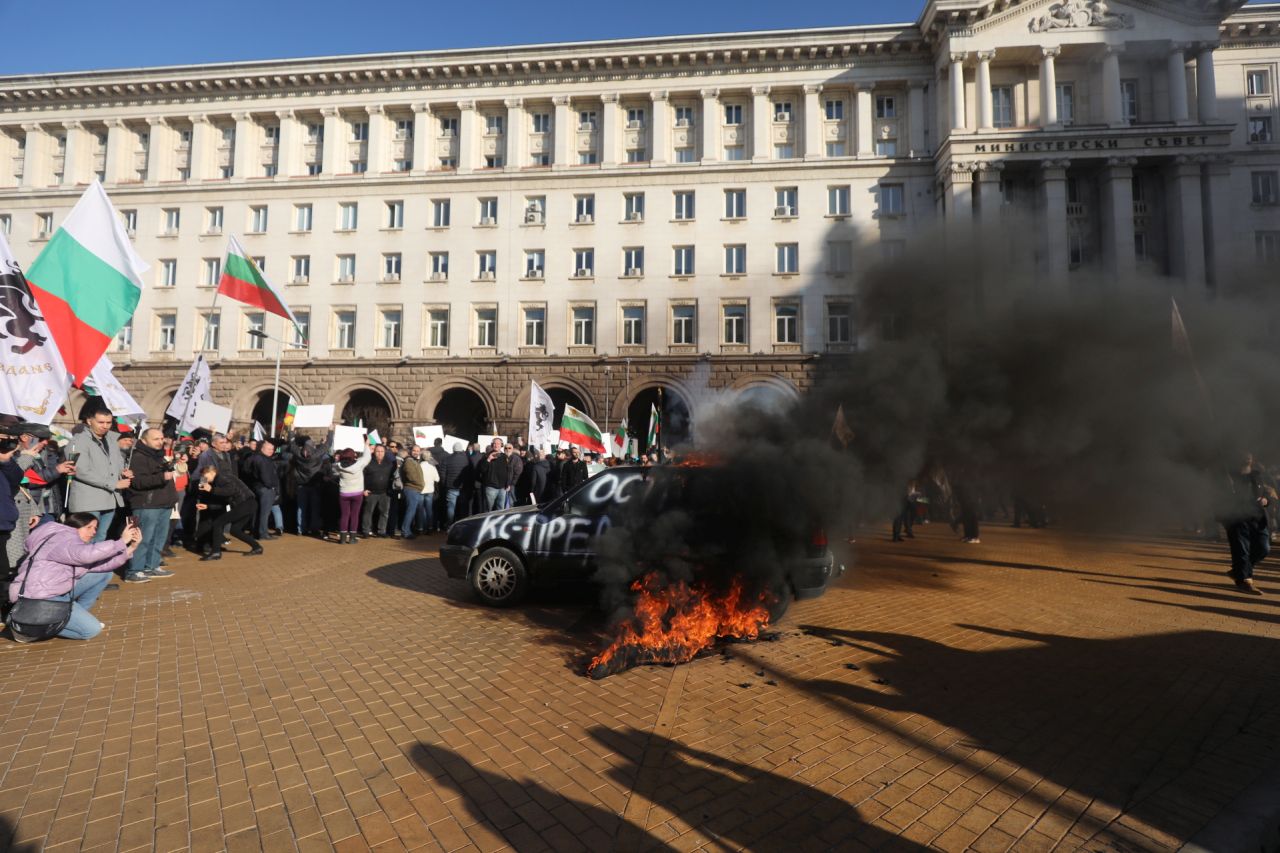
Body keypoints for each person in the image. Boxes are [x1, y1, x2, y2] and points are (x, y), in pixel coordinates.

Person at [7, 513, 142, 641]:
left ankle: (69, 618)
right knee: (91, 630)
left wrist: (132, 547)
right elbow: (86, 555)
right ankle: (29, 628)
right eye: (88, 527)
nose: (93, 532)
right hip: (38, 596)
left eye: (95, 528)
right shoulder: (62, 538)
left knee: (104, 574)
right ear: (74, 527)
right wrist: (122, 541)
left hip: (54, 590)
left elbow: (99, 565)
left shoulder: (71, 543)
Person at [67, 406, 132, 542]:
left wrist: (124, 471)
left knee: (101, 537)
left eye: (108, 423)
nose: (105, 426)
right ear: (90, 421)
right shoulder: (78, 441)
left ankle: (96, 564)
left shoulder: (112, 441)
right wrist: (114, 483)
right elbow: (80, 470)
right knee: (85, 540)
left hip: (109, 499)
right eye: (101, 422)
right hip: (88, 501)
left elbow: (117, 463)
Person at [125, 427, 178, 582]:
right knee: (143, 538)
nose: (160, 442)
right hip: (146, 504)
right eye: (156, 439)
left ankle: (151, 566)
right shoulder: (138, 457)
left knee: (158, 538)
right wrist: (162, 477)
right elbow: (138, 482)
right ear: (144, 440)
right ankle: (134, 569)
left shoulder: (158, 456)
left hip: (163, 503)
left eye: (161, 439)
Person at [1223, 453, 1270, 595]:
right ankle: (1244, 580)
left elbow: (1270, 493)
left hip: (1257, 518)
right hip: (1236, 517)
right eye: (1243, 454)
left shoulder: (1258, 475)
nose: (1247, 456)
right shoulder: (1228, 476)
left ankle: (1238, 571)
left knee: (1263, 548)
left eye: (1249, 454)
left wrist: (1266, 501)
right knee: (1241, 550)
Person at [193, 465, 262, 560]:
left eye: (205, 476)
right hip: (248, 504)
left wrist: (211, 490)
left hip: (244, 504)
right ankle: (257, 547)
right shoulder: (219, 481)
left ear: (212, 472)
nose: (204, 479)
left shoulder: (222, 477)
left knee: (218, 523)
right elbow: (224, 502)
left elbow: (230, 490)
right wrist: (208, 506)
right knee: (235, 530)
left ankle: (216, 552)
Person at [241, 438, 281, 540]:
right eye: (269, 449)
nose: (271, 451)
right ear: (262, 448)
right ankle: (263, 533)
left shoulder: (257, 458)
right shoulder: (262, 459)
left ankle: (256, 532)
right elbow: (265, 476)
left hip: (258, 487)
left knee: (258, 512)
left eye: (272, 449)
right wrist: (271, 486)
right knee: (264, 513)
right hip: (265, 488)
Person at [290, 434, 329, 538]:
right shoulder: (316, 455)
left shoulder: (298, 454)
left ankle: (300, 529)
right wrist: (330, 432)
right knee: (314, 508)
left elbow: (291, 444)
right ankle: (314, 529)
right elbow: (327, 446)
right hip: (315, 485)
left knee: (301, 508)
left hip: (301, 485)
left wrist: (291, 431)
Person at [333, 444, 372, 544]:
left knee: (344, 515)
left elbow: (334, 473)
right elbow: (367, 457)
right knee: (355, 515)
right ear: (353, 456)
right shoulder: (359, 464)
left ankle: (342, 539)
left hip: (344, 493)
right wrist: (366, 444)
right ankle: (352, 538)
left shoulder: (338, 465)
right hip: (357, 493)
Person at [360, 444, 396, 537]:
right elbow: (361, 477)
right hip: (371, 492)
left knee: (384, 513)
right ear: (374, 452)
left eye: (382, 451)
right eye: (378, 451)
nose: (380, 453)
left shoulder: (390, 463)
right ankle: (366, 531)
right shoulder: (368, 462)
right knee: (368, 512)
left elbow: (393, 477)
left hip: (385, 492)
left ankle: (381, 531)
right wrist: (364, 489)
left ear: (385, 452)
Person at [439, 443, 469, 526]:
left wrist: (444, 483)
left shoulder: (447, 459)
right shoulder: (466, 459)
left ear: (453, 449)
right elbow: (469, 473)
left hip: (450, 486)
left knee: (451, 507)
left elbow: (442, 473)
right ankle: (462, 524)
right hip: (463, 487)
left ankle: (449, 525)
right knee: (462, 507)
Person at [477, 442, 511, 512]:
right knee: (488, 509)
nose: (496, 445)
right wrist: (489, 459)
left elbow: (508, 471)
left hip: (502, 488)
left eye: (498, 444)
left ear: (501, 445)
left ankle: (498, 522)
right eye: (494, 443)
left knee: (500, 510)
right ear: (492, 445)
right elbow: (481, 469)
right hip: (491, 487)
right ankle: (488, 522)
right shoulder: (486, 456)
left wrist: (508, 483)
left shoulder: (504, 456)